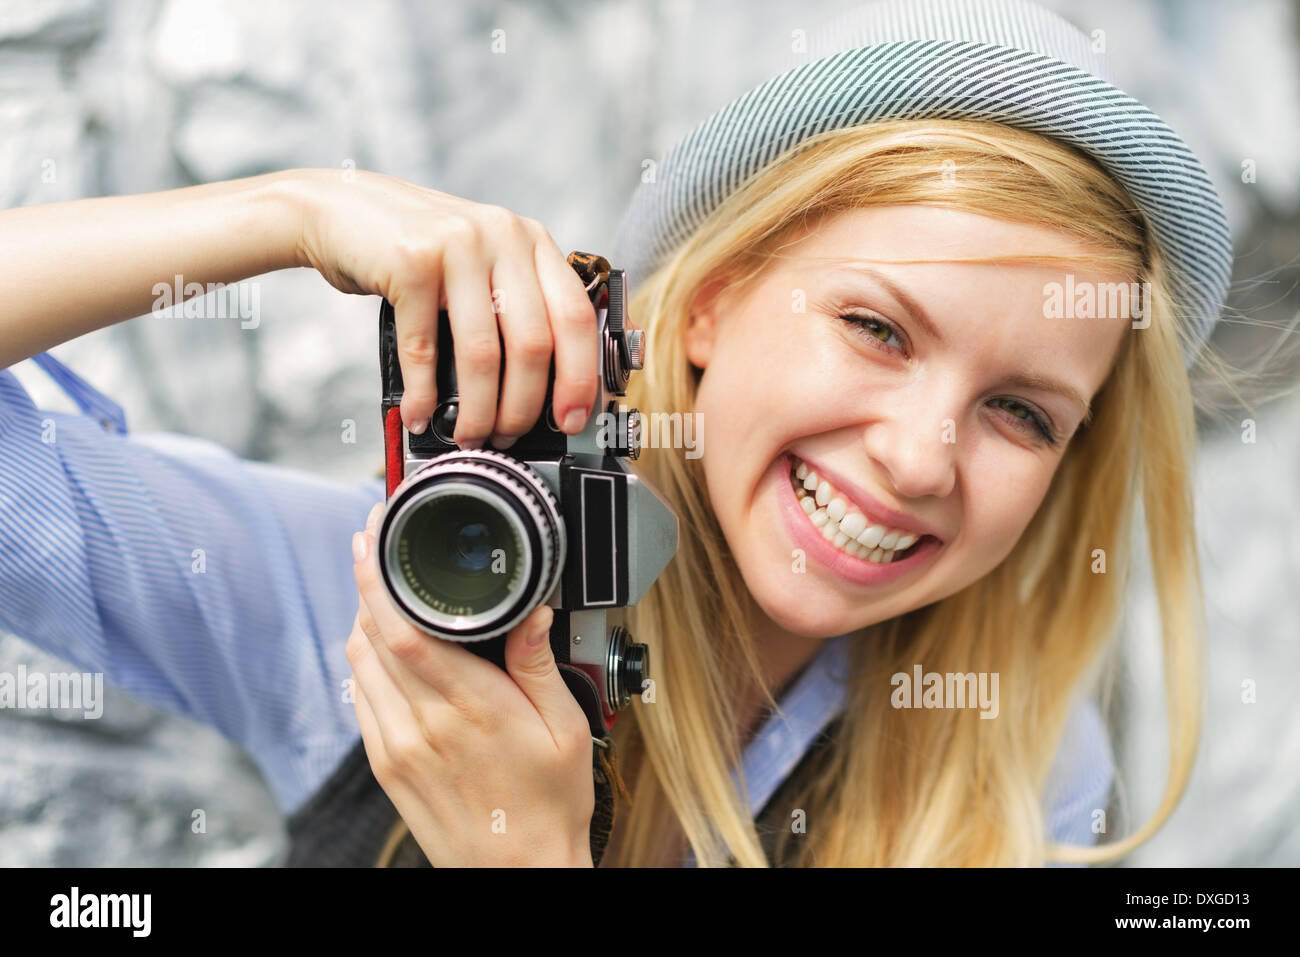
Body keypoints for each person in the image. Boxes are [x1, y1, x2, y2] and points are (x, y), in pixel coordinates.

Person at [0, 0, 1252, 866]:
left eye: (1021, 412)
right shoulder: (392, 604)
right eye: (875, 329)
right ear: (708, 304)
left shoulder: (1014, 769)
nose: (922, 458)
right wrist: (286, 208)